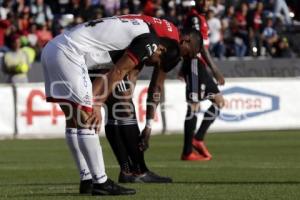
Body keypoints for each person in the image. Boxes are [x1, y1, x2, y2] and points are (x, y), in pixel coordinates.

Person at [41, 15, 180, 195]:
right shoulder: (150, 40)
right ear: (160, 49)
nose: (149, 63)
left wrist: (94, 100)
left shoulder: (129, 36)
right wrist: (96, 104)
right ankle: (101, 182)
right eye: (156, 62)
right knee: (88, 121)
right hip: (70, 54)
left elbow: (107, 73)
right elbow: (119, 71)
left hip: (53, 49)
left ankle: (87, 180)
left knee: (73, 121)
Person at [89, 14, 180, 183]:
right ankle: (139, 172)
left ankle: (127, 171)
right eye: (158, 64)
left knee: (117, 110)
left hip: (95, 49)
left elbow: (135, 63)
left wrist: (148, 125)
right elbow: (152, 82)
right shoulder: (163, 40)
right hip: (102, 55)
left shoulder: (161, 33)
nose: (155, 67)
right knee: (124, 107)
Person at [179, 0, 225, 161]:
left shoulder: (200, 17)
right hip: (194, 64)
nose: (205, 2)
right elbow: (199, 46)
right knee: (193, 105)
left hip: (200, 66)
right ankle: (187, 152)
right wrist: (216, 70)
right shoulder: (194, 18)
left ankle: (197, 138)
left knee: (219, 102)